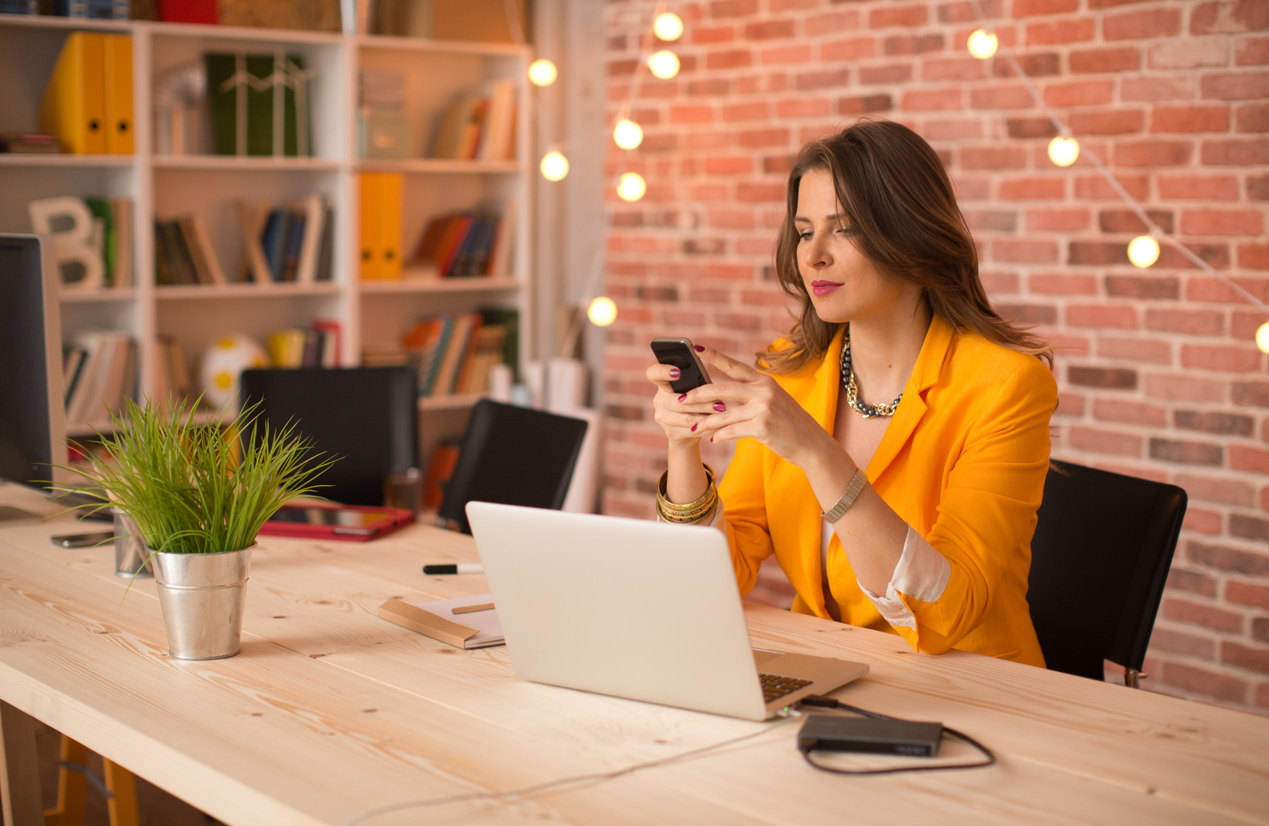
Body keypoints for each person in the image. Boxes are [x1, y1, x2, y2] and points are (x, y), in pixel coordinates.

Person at [646, 120, 1056, 666]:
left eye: (844, 229)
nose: (812, 254)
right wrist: (684, 445)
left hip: (973, 692)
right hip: (829, 677)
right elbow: (715, 574)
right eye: (803, 229)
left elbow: (948, 608)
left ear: (912, 234)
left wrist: (815, 450)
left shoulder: (1005, 385)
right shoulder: (792, 373)